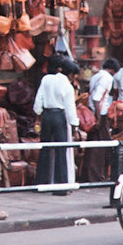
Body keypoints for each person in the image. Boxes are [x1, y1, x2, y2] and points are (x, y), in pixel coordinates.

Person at [33, 55, 79, 195]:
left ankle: (41, 184)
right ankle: (61, 187)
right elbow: (70, 106)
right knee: (61, 151)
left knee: (45, 149)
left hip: (47, 115)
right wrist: (74, 124)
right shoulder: (65, 83)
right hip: (59, 116)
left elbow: (38, 101)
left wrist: (39, 112)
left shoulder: (45, 79)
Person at [80, 58, 119, 183]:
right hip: (99, 114)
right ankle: (96, 177)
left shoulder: (97, 76)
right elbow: (97, 98)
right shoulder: (107, 78)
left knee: (93, 147)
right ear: (113, 70)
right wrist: (98, 118)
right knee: (101, 149)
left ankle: (88, 176)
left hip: (94, 112)